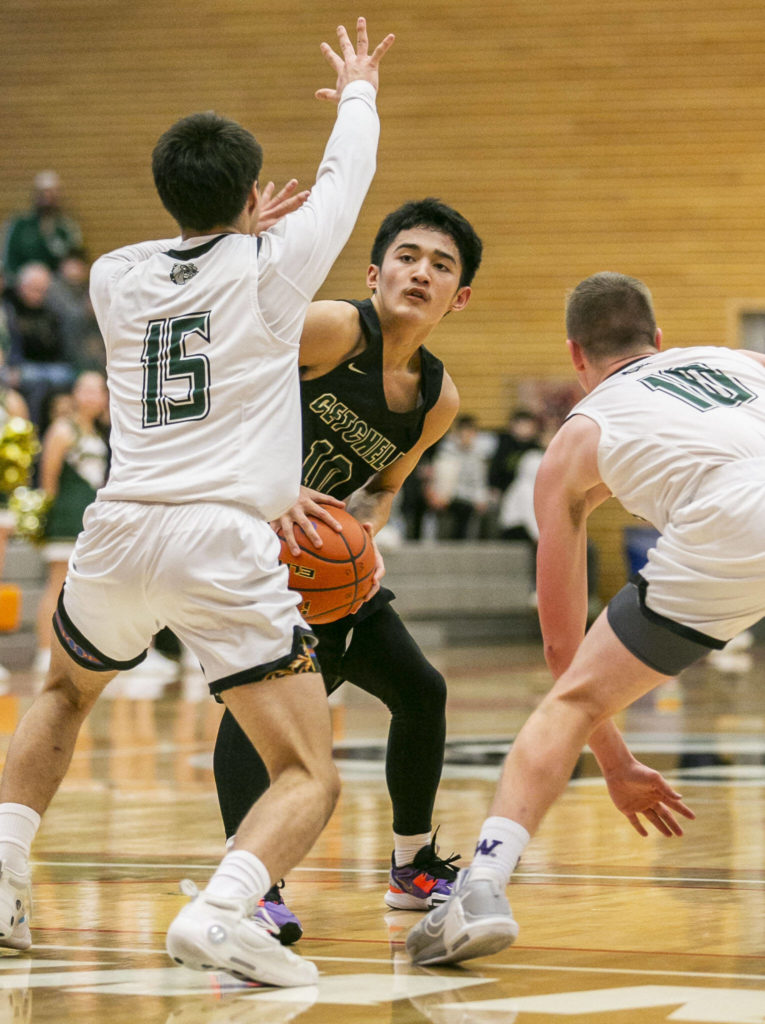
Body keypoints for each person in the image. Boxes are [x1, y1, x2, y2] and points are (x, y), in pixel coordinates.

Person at [0, 17, 394, 990]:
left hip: (118, 528)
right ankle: (222, 911)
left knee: (62, 691)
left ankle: (4, 873)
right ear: (251, 190)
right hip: (219, 538)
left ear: (164, 188)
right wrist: (358, 90)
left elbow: (194, 280)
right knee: (310, 770)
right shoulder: (272, 270)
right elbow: (344, 185)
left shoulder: (112, 276)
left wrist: (241, 230)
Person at [406, 270, 765, 965]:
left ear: (576, 357)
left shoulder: (573, 442)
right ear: (657, 339)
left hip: (726, 521)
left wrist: (616, 760)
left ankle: (480, 887)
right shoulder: (739, 362)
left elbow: (560, 644)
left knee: (565, 705)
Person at [214, 196, 483, 943]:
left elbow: (386, 485)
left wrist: (368, 527)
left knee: (420, 691)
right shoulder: (337, 329)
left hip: (321, 565)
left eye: (440, 265)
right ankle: (251, 880)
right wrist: (268, 483)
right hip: (242, 542)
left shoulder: (436, 399)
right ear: (374, 273)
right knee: (258, 712)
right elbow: (222, 376)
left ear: (457, 298)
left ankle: (410, 867)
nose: (420, 272)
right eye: (407, 256)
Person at [32, 371, 110, 676]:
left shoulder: (98, 432)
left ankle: (83, 654)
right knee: (57, 585)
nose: (92, 396)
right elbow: (47, 481)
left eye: (98, 391)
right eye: (86, 390)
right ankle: (43, 652)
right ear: (75, 395)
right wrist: (47, 519)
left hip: (92, 523)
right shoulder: (63, 430)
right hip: (65, 519)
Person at [1, 171, 84, 281]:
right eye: (43, 193)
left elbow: (76, 257)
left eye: (51, 193)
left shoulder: (67, 227)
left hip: (57, 286)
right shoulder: (19, 224)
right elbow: (8, 259)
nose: (47, 198)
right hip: (24, 284)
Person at [426, 413, 490, 539]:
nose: (466, 437)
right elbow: (440, 479)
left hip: (470, 497)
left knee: (473, 508)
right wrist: (438, 495)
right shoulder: (445, 453)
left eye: (470, 433)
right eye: (463, 433)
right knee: (460, 507)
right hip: (449, 496)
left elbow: (480, 482)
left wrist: (481, 499)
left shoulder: (479, 456)